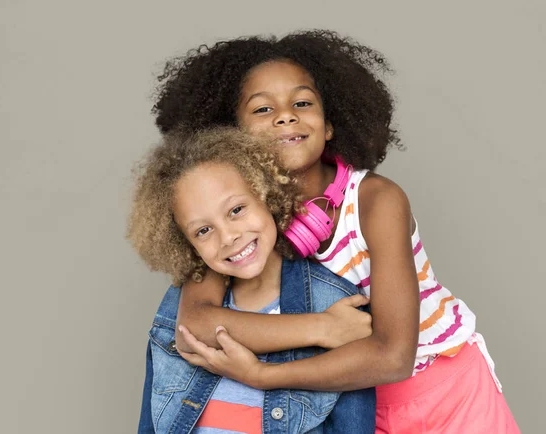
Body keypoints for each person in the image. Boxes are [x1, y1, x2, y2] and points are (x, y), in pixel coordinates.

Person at [151, 30, 520, 432]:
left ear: (329, 125)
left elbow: (394, 356)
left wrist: (260, 375)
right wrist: (323, 328)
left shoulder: (377, 201)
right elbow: (198, 322)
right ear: (231, 137)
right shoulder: (239, 223)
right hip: (346, 403)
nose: (285, 115)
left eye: (302, 103)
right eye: (262, 110)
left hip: (450, 393)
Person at [128, 127, 376, 433]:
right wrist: (323, 328)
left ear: (267, 194)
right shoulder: (175, 310)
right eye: (203, 231)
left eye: (236, 210)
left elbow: (354, 423)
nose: (229, 236)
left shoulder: (335, 303)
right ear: (186, 243)